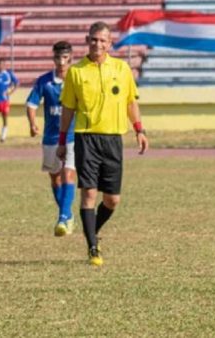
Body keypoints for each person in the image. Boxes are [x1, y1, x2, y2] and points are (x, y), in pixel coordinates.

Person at [57, 22, 149, 266]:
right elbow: (68, 108)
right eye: (93, 40)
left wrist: (139, 129)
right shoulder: (76, 72)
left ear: (110, 43)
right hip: (86, 137)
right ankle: (93, 248)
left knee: (112, 200)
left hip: (113, 139)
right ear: (87, 40)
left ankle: (92, 230)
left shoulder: (121, 68)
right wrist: (62, 139)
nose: (97, 44)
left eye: (102, 41)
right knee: (89, 193)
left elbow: (131, 102)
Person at [26, 41, 77, 237]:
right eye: (58, 58)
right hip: (50, 137)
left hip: (72, 136)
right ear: (53, 58)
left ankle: (63, 218)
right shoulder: (44, 81)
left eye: (65, 58)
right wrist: (32, 123)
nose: (61, 62)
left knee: (68, 174)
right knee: (55, 177)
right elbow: (31, 104)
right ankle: (67, 213)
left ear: (70, 57)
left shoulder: (76, 79)